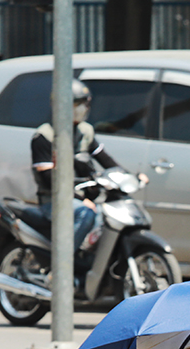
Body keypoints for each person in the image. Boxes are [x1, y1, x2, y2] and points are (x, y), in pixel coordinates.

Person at [31, 79, 144, 260]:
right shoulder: (44, 136)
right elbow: (47, 179)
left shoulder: (85, 131)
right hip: (53, 201)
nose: (83, 108)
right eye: (77, 104)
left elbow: (105, 159)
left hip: (84, 196)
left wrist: (129, 177)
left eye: (86, 103)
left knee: (107, 213)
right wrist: (77, 199)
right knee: (87, 213)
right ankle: (63, 264)